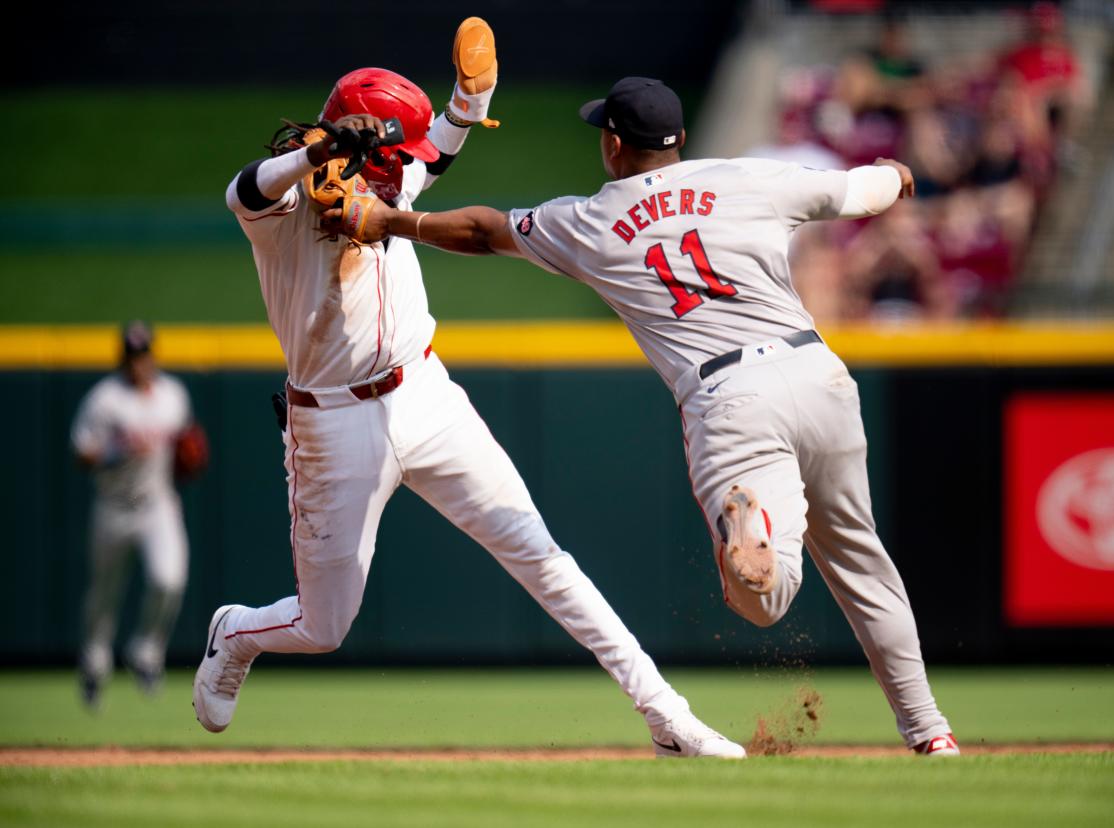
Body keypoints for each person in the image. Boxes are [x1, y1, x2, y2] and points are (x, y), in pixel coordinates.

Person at [326, 76, 960, 756]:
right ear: (680, 140)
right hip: (818, 372)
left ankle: (758, 535)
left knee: (765, 598)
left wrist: (386, 221)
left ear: (612, 144)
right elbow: (860, 191)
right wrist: (894, 177)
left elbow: (483, 230)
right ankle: (930, 734)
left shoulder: (592, 221)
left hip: (731, 397)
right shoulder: (747, 177)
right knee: (863, 562)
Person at [200, 22, 743, 759]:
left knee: (541, 552)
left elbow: (439, 150)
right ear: (357, 143)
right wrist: (320, 150)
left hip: (424, 394)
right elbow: (241, 190)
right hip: (331, 426)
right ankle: (236, 633)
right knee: (323, 628)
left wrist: (468, 97)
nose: (410, 170)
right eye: (398, 156)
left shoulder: (394, 179)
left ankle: (666, 716)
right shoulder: (287, 209)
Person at [72, 321, 198, 708]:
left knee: (169, 580)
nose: (138, 363)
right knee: (104, 593)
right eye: (132, 356)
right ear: (122, 359)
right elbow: (81, 451)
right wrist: (112, 452)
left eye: (143, 355)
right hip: (113, 507)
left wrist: (188, 456)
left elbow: (186, 444)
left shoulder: (173, 395)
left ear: (152, 356)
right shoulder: (105, 400)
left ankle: (146, 651)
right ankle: (94, 663)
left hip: (158, 504)